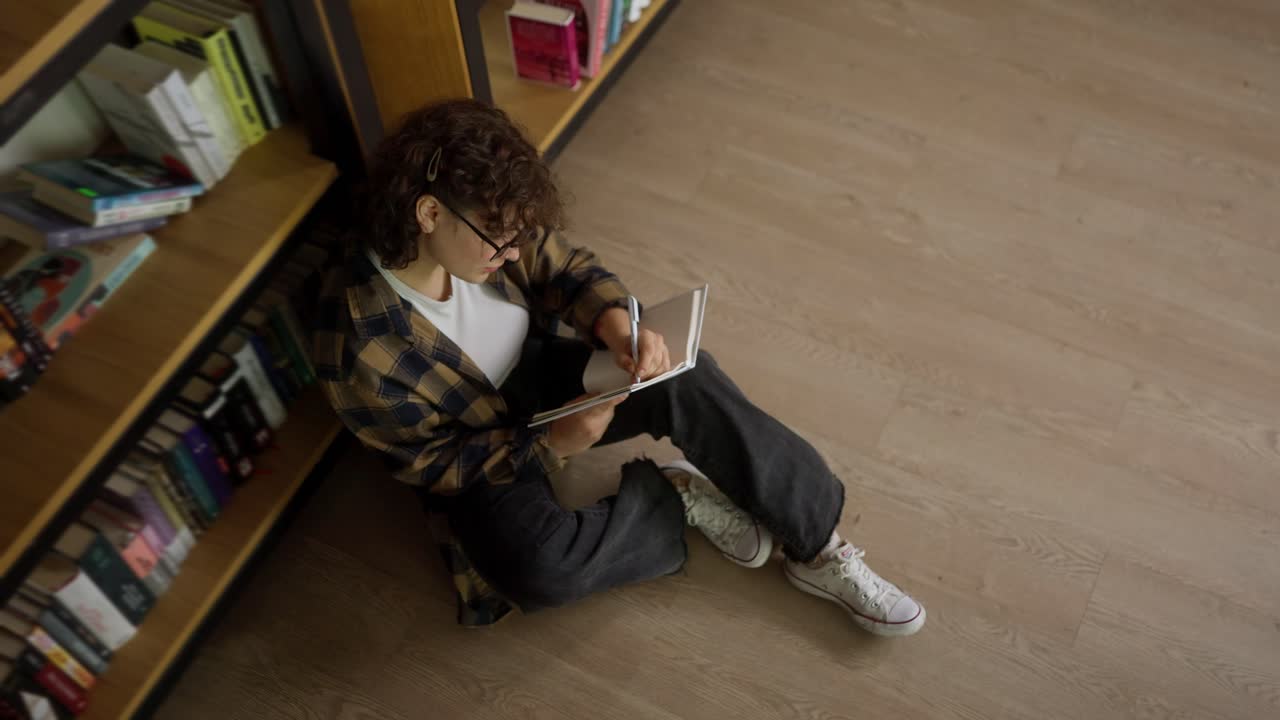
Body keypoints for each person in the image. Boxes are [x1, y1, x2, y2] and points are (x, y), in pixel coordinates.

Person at [312, 98, 925, 636]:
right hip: (480, 439)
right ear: (427, 214)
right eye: (500, 242)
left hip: (536, 369)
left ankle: (820, 547)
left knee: (685, 373)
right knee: (539, 570)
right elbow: (430, 463)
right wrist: (551, 444)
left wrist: (613, 321)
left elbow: (562, 264)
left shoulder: (487, 234)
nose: (513, 254)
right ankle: (673, 497)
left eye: (519, 238)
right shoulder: (359, 342)